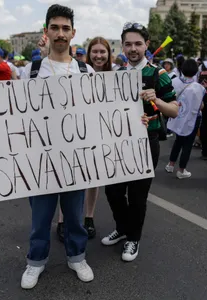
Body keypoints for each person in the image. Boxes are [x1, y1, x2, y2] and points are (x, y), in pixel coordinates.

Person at [0, 4, 97, 289]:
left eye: (65, 28)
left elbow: (99, 113)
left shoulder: (86, 70)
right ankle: (36, 262)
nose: (60, 33)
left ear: (73, 33)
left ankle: (76, 255)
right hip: (40, 160)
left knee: (74, 214)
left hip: (74, 159)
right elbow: (13, 113)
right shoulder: (32, 71)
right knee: (41, 217)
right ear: (47, 31)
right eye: (54, 28)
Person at [101, 22, 178, 262]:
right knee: (113, 191)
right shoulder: (118, 74)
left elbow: (174, 110)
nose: (133, 48)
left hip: (147, 141)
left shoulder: (158, 74)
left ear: (147, 45)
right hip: (119, 141)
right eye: (128, 44)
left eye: (138, 43)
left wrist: (157, 101)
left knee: (137, 195)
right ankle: (123, 227)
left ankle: (133, 238)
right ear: (122, 46)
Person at [84, 36, 114, 239]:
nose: (98, 55)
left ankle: (89, 217)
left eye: (102, 51)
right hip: (78, 132)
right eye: (95, 51)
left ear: (108, 54)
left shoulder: (117, 78)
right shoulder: (78, 73)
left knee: (94, 179)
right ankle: (63, 220)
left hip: (102, 134)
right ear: (89, 54)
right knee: (73, 179)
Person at [165, 59, 205, 179]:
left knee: (178, 140)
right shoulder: (198, 87)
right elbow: (201, 106)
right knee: (187, 144)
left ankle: (170, 164)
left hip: (177, 114)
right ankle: (181, 170)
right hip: (192, 118)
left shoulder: (174, 81)